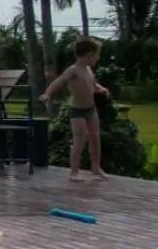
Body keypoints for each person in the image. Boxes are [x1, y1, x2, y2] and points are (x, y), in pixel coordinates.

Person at [41, 37, 111, 181]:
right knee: (80, 139)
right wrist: (47, 94)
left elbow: (92, 84)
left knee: (95, 138)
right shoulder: (73, 70)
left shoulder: (88, 69)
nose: (98, 58)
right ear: (89, 55)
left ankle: (96, 167)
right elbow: (58, 82)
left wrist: (101, 89)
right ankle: (74, 171)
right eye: (97, 55)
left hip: (91, 109)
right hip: (77, 110)